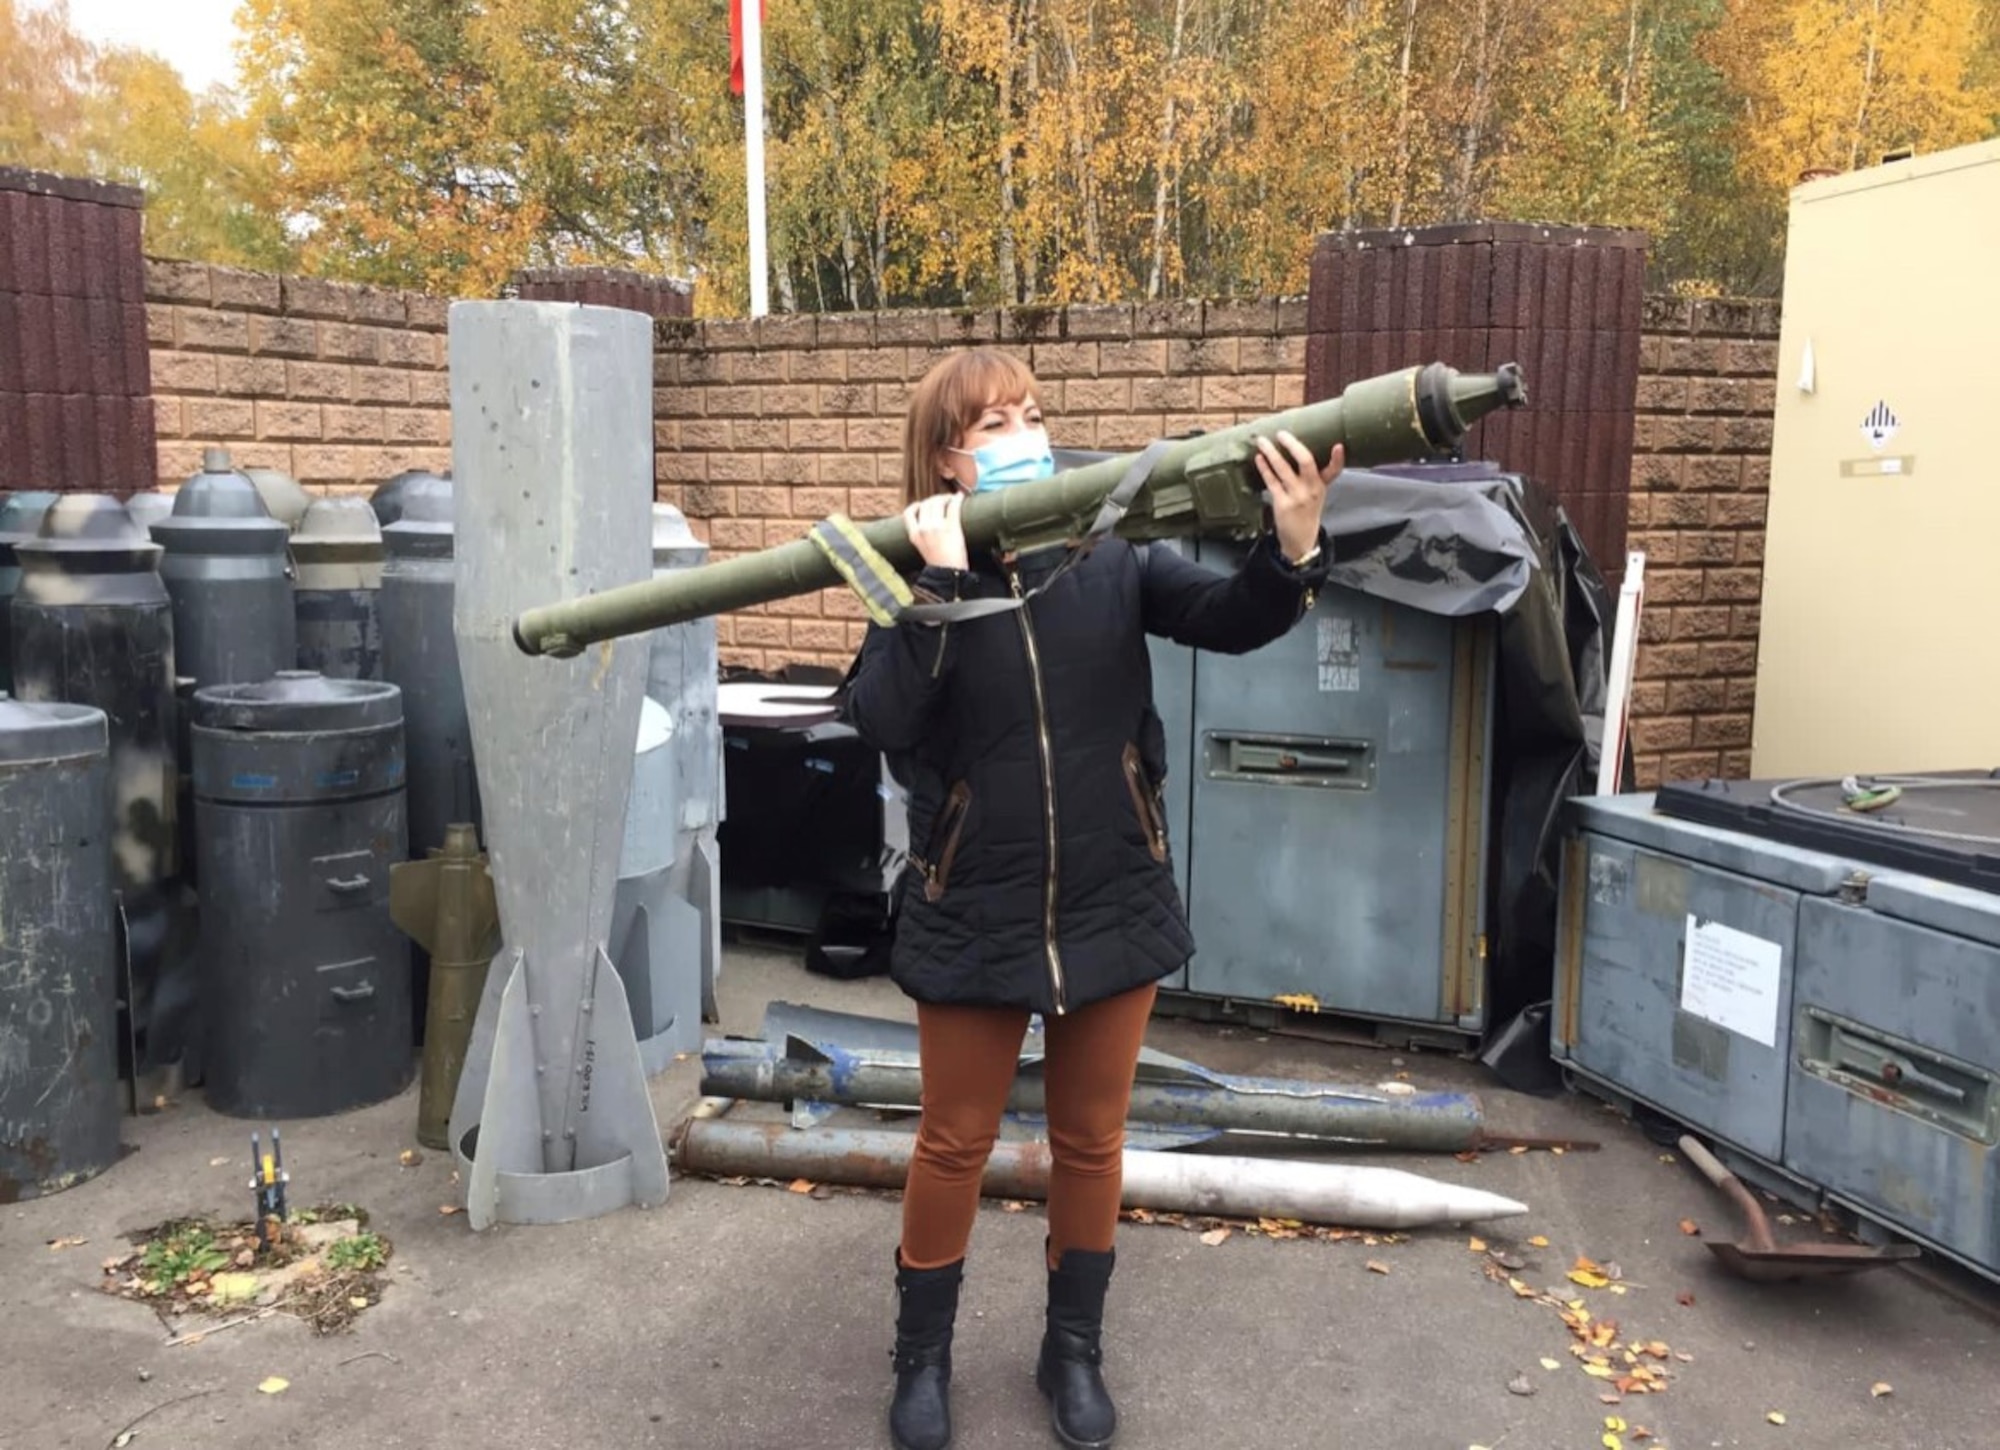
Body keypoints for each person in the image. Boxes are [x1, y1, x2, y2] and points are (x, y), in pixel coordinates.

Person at [841, 347, 1338, 1450]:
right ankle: (918, 1361)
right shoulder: (909, 572)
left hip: (1112, 891)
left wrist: (1292, 545)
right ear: (946, 456)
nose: (1025, 433)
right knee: (951, 1141)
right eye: (994, 421)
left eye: (1031, 412)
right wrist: (938, 586)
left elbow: (1231, 614)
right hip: (971, 897)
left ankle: (1072, 1350)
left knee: (1090, 1140)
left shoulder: (1107, 555)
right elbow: (880, 719)